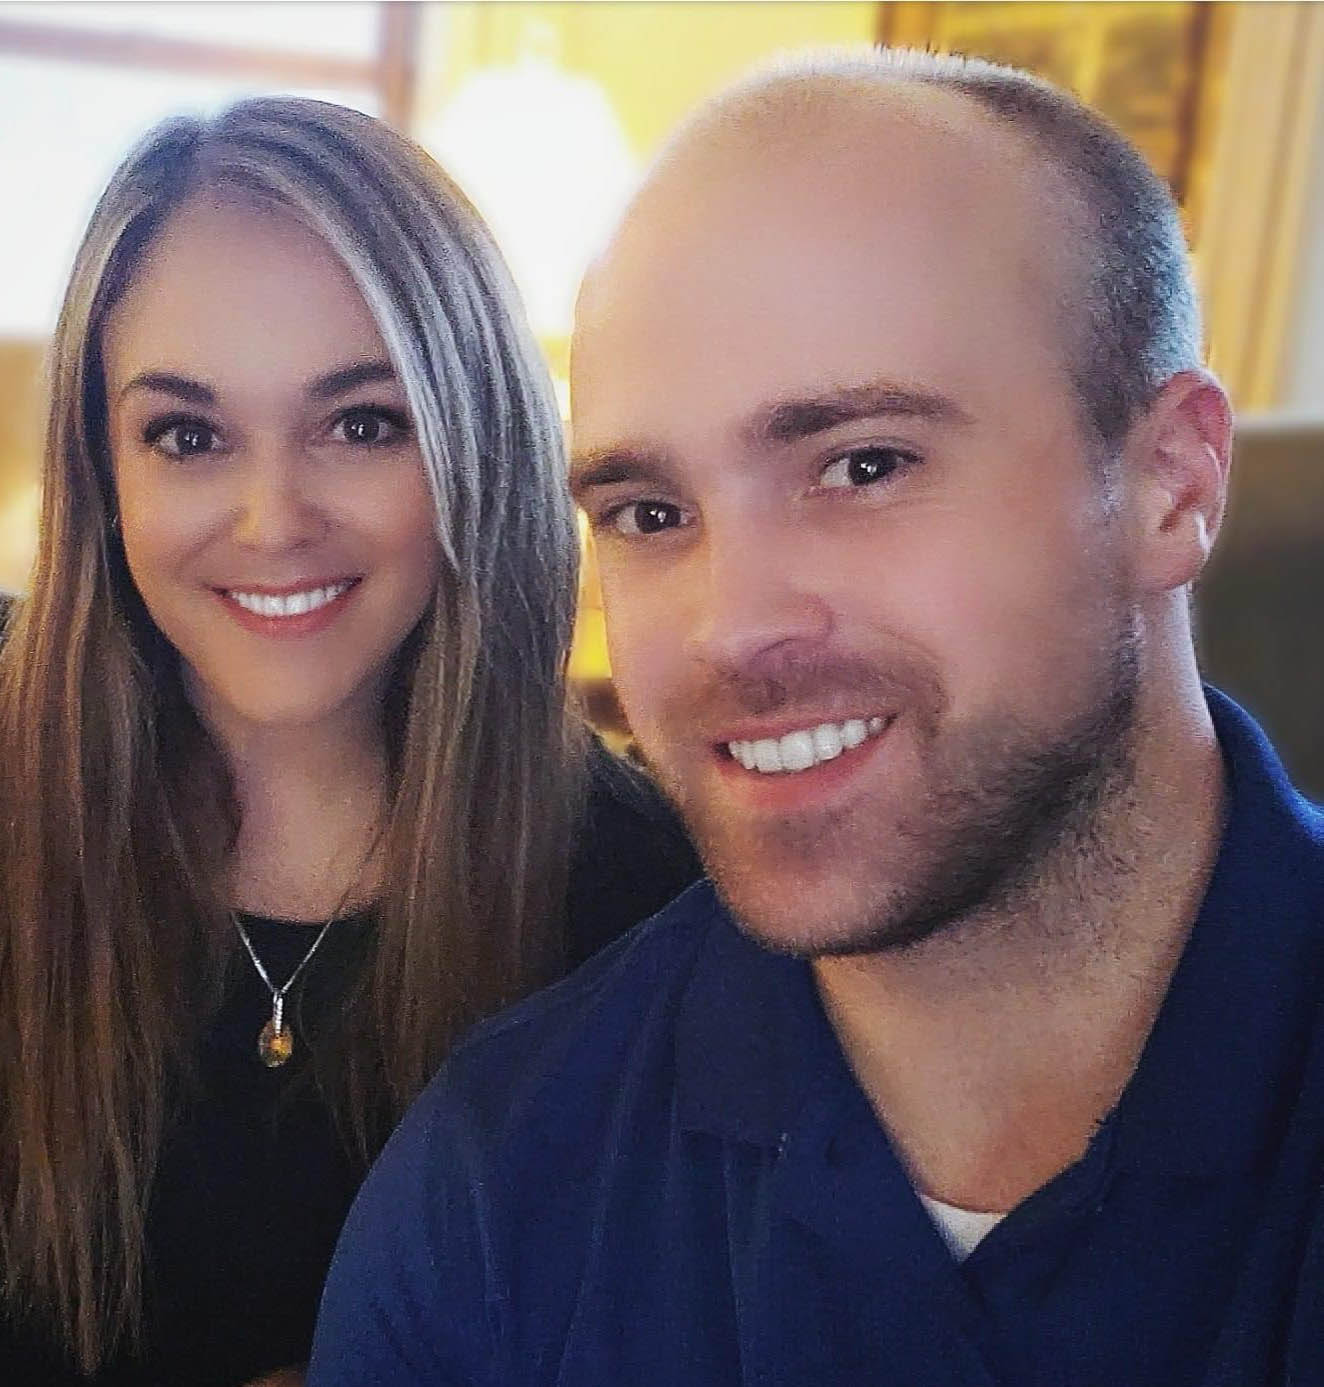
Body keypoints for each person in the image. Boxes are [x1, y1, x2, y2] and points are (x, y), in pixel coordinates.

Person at [309, 46, 1324, 1386]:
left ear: (1172, 484)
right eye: (650, 514)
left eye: (863, 465)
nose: (730, 629)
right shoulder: (494, 1207)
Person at [0, 98, 698, 1387]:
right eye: (188, 436)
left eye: (362, 423)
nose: (273, 521)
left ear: (474, 441)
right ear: (105, 473)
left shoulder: (644, 904)